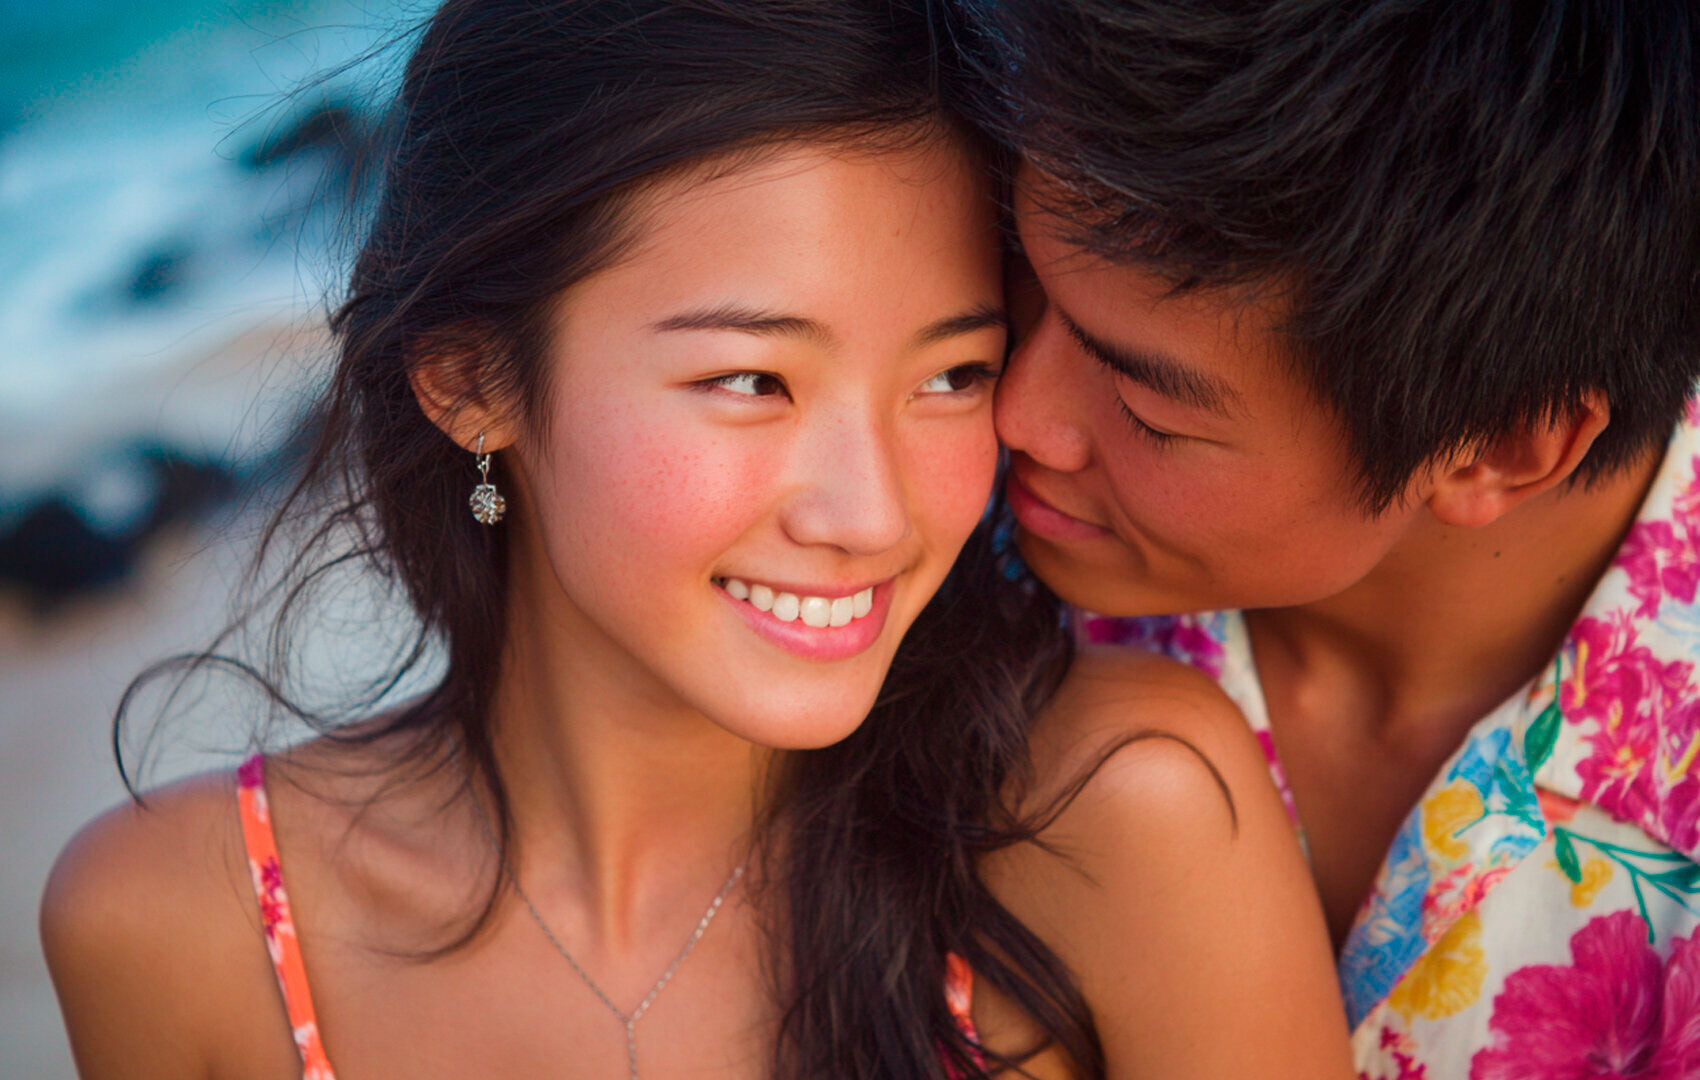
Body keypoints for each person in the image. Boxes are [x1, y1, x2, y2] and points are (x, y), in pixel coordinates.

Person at [40, 2, 1353, 1078]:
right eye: (753, 382)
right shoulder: (180, 929)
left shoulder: (1118, 823)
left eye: (952, 375)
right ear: (470, 382)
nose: (872, 513)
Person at [968, 0, 1700, 1075]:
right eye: (1020, 282)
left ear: (1492, 449)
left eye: (1149, 410)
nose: (1012, 419)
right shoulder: (899, 537)